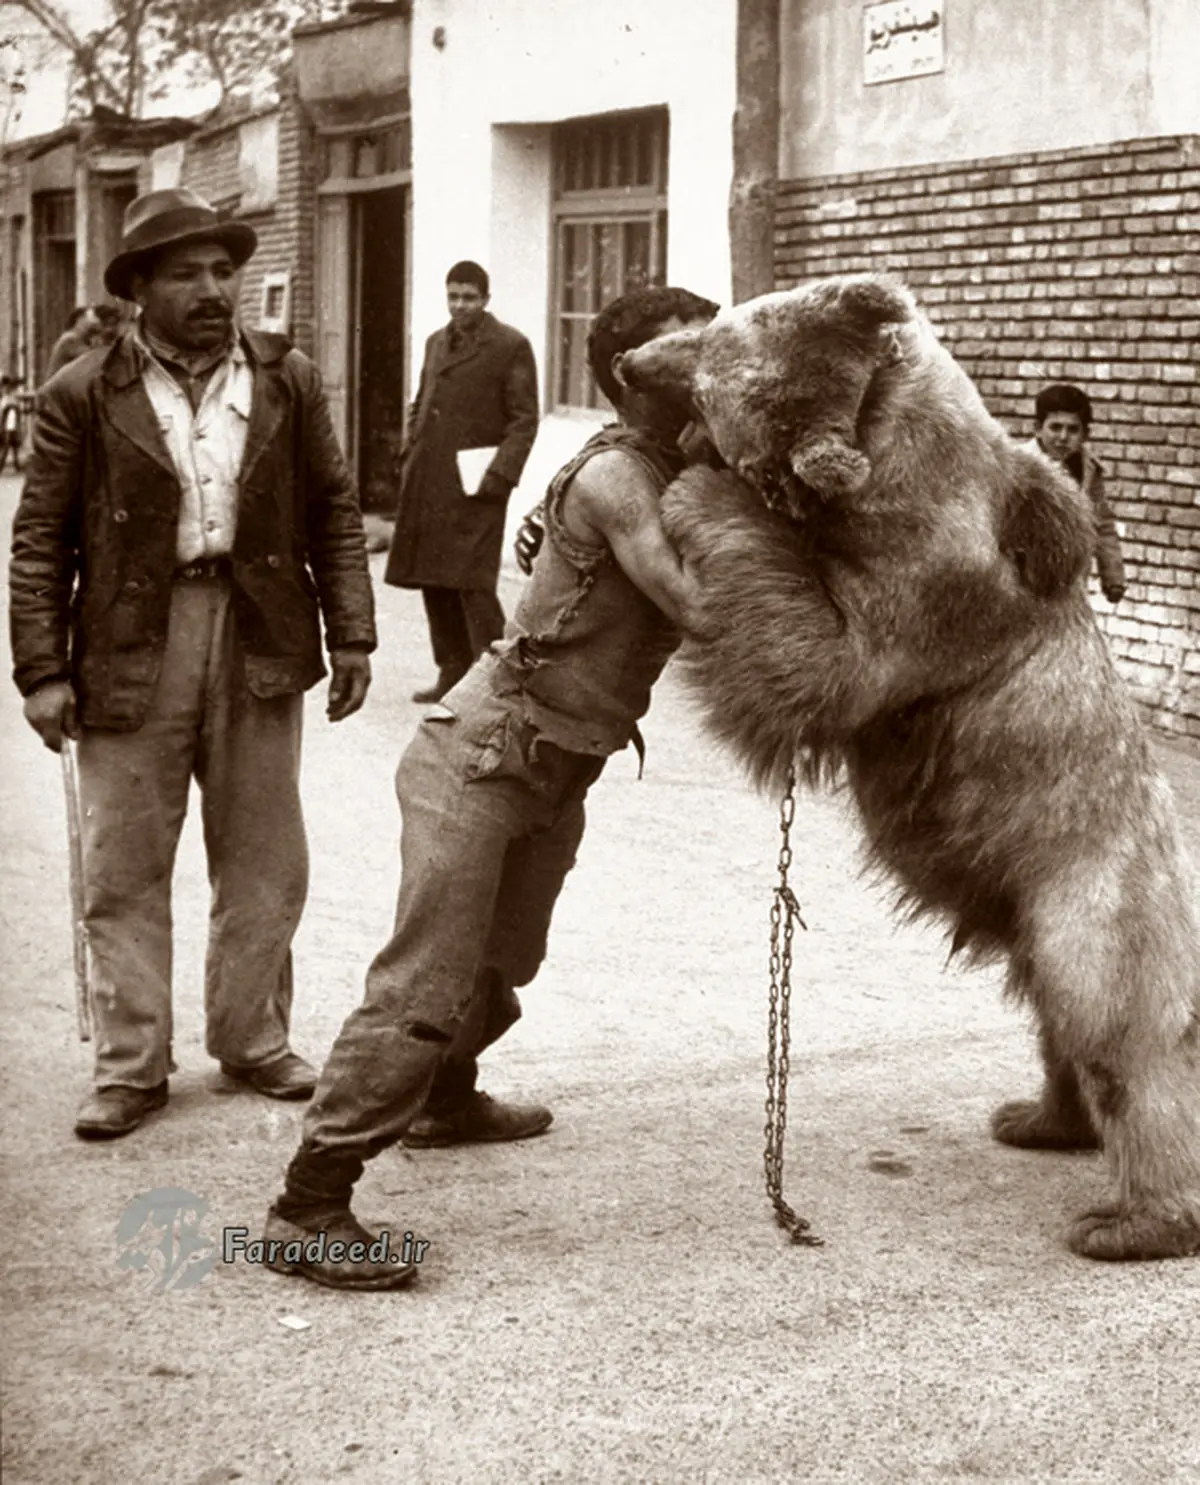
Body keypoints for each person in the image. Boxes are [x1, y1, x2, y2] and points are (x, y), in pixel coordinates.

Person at [262, 285, 720, 1290]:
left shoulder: (674, 464)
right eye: (686, 347)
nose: (710, 360)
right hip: (486, 750)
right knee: (425, 979)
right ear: (634, 376)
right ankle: (309, 1200)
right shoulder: (618, 477)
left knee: (505, 955)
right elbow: (699, 604)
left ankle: (444, 1098)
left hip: (559, 759)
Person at [9, 186, 378, 1139]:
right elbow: (40, 538)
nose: (213, 290)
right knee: (125, 866)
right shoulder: (83, 390)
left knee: (265, 857)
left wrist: (353, 632)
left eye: (223, 271)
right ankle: (130, 1066)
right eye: (186, 274)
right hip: (132, 641)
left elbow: (333, 510)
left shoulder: (286, 377)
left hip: (259, 632)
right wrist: (42, 670)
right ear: (138, 288)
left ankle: (252, 1038)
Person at [385, 260, 539, 703]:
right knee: (434, 580)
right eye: (453, 296)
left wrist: (499, 475)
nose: (460, 305)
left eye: (469, 297)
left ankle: (497, 680)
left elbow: (524, 420)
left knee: (473, 584)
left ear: (486, 299)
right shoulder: (436, 342)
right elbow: (421, 400)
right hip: (430, 478)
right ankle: (451, 671)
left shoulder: (510, 345)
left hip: (477, 484)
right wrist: (410, 451)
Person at [1030, 383, 1127, 603]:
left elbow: (1102, 525)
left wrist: (1113, 577)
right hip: (1024, 584)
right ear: (1038, 428)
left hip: (1072, 584)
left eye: (1073, 429)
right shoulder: (1019, 466)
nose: (1063, 437)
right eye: (1055, 427)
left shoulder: (1088, 472)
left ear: (1085, 435)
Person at [43, 307, 98, 380]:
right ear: (80, 320)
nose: (93, 323)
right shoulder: (71, 338)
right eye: (90, 318)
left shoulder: (77, 339)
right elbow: (92, 358)